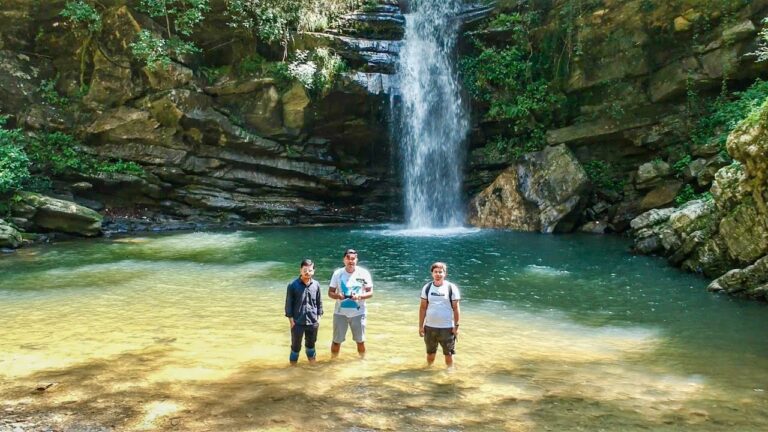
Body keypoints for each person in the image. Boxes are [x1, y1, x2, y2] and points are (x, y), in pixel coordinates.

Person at [328, 248, 373, 358]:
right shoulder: (337, 274)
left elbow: (370, 292)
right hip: (340, 313)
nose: (350, 261)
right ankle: (333, 361)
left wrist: (359, 296)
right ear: (344, 260)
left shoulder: (363, 273)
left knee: (360, 341)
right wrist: (338, 296)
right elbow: (330, 292)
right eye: (348, 258)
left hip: (359, 313)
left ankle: (362, 361)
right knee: (336, 341)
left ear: (356, 260)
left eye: (353, 259)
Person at [418, 262, 461, 367]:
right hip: (430, 327)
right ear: (432, 273)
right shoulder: (427, 288)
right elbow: (423, 307)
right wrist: (420, 326)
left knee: (449, 355)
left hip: (447, 328)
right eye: (435, 272)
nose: (438, 274)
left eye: (440, 272)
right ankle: (429, 370)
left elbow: (456, 308)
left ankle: (449, 374)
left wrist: (456, 327)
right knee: (430, 354)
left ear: (445, 274)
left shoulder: (451, 288)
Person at [285, 258, 323, 365]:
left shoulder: (316, 284)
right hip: (297, 322)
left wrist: (318, 319)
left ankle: (312, 366)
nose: (307, 272)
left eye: (310, 270)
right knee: (295, 347)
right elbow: (288, 305)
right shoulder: (293, 285)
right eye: (305, 270)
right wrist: (291, 321)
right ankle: (292, 368)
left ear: (313, 271)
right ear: (300, 270)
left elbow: (319, 303)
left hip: (312, 322)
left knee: (311, 345)